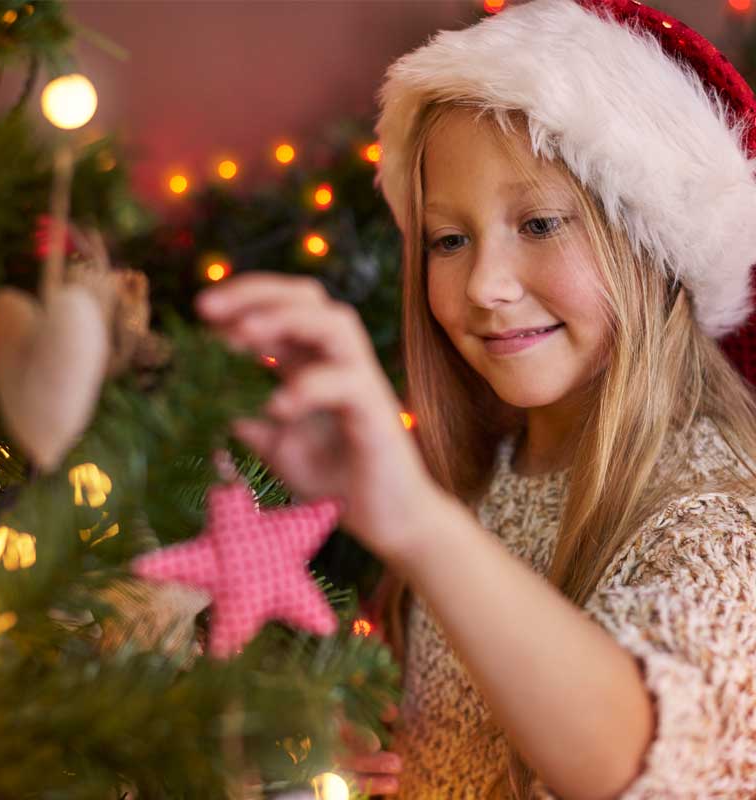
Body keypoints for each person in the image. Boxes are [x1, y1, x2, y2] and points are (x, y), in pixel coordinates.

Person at [195, 0, 756, 797]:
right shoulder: (493, 469)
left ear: (650, 242)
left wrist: (421, 526)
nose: (486, 287)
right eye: (448, 240)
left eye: (539, 223)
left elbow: (653, 757)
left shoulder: (716, 511)